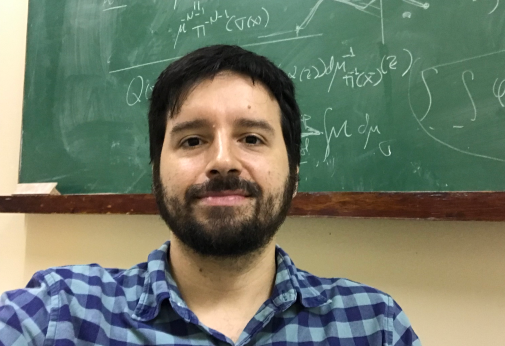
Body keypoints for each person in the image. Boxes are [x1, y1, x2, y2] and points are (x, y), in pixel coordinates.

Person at [0, 45, 420, 346]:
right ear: (155, 173)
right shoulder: (61, 312)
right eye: (192, 140)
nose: (222, 161)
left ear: (293, 175)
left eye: (252, 138)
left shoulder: (373, 325)